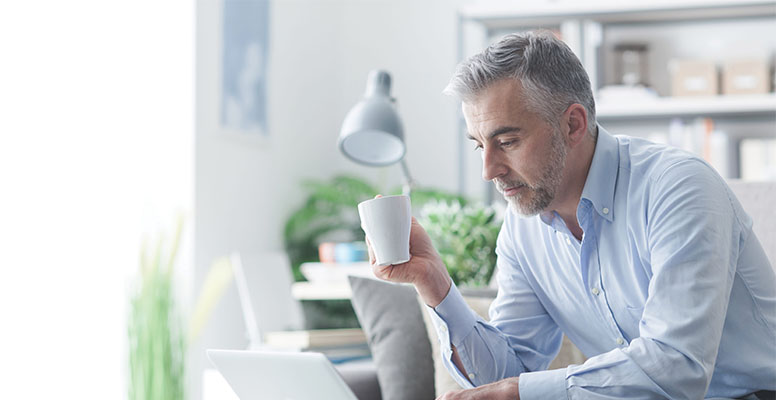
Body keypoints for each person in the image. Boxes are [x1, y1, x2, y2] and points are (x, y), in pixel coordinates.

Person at [366, 31, 776, 399]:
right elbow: (512, 372)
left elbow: (678, 368)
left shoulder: (678, 188)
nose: (488, 170)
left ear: (573, 125)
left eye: (506, 141)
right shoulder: (523, 225)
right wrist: (435, 284)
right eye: (479, 146)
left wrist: (519, 392)